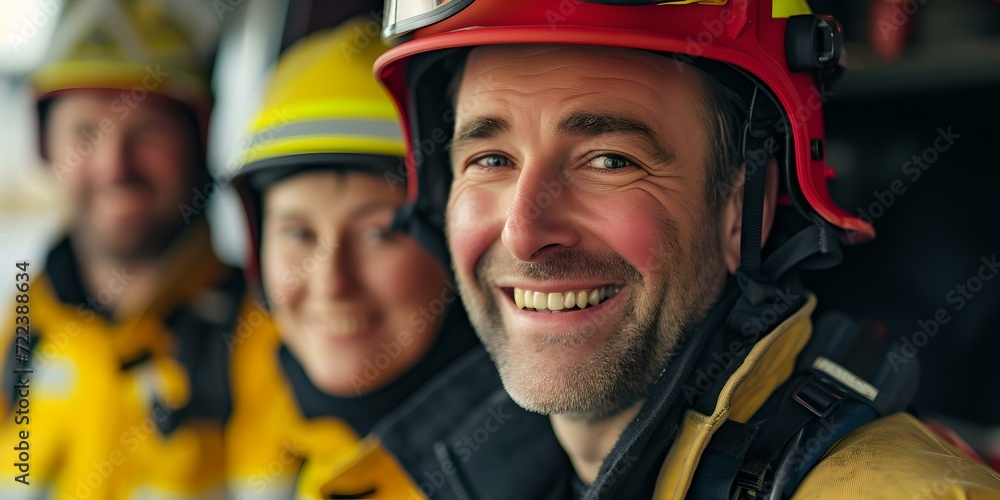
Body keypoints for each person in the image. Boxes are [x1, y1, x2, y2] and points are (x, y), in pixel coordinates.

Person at [361, 0, 1000, 498]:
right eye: (490, 159)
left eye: (609, 161)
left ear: (740, 208)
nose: (523, 233)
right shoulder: (404, 480)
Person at [226, 19, 536, 498]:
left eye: (379, 233)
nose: (332, 282)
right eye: (298, 233)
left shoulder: (534, 470)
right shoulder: (224, 391)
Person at [0, 1, 246, 497]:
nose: (115, 167)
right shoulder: (17, 332)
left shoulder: (275, 344)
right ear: (46, 147)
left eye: (147, 131)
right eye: (85, 133)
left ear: (197, 144)